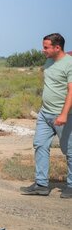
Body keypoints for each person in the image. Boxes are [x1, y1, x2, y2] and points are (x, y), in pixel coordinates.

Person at [20, 33, 72, 198]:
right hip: (45, 113)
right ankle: (41, 184)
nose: (43, 50)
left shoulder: (69, 64)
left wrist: (64, 114)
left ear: (57, 47)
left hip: (63, 115)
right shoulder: (49, 61)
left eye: (46, 47)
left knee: (69, 150)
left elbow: (71, 91)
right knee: (40, 145)